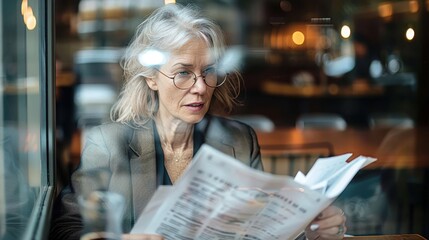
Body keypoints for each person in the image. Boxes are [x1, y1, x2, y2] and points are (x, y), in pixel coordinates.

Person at [50, 3, 346, 240]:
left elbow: (260, 231)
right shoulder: (108, 144)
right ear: (152, 78)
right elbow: (65, 230)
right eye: (183, 73)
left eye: (209, 71)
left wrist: (310, 233)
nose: (201, 87)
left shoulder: (240, 141)